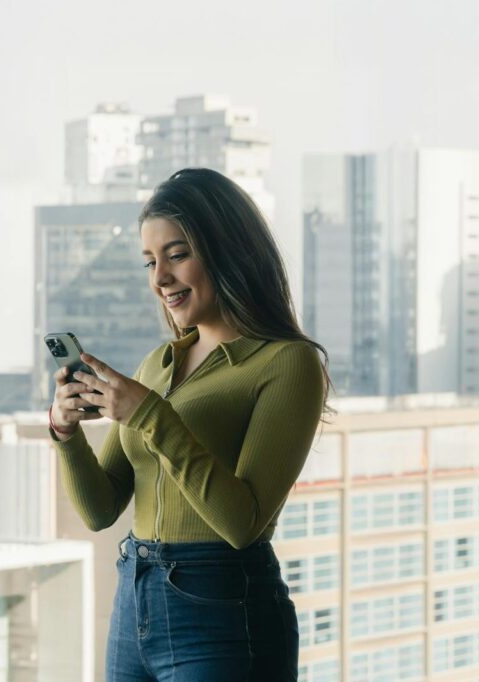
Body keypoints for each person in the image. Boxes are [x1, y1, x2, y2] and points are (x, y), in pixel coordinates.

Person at [48, 167, 330, 681]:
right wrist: (65, 433)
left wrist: (150, 414)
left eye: (177, 255)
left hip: (223, 609)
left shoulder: (287, 363)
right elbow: (99, 508)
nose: (160, 279)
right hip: (135, 600)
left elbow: (242, 523)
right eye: (151, 261)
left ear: (228, 250)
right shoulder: (158, 364)